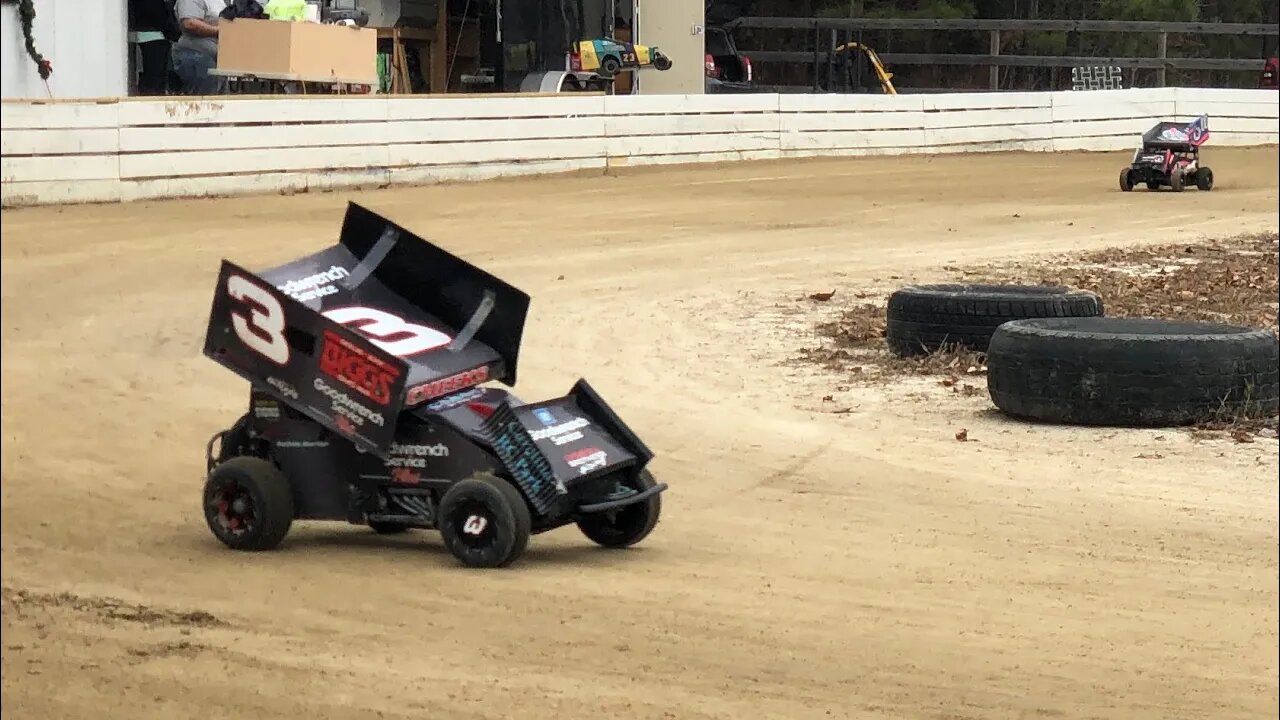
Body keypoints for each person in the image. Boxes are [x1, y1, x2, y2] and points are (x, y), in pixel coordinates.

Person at [172, 0, 230, 95]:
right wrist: (220, 31)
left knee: (218, 103)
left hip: (216, 58)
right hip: (197, 56)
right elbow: (189, 23)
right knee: (202, 102)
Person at [128, 0, 181, 95]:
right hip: (153, 34)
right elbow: (155, 12)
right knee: (154, 80)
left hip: (153, 33)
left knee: (156, 79)